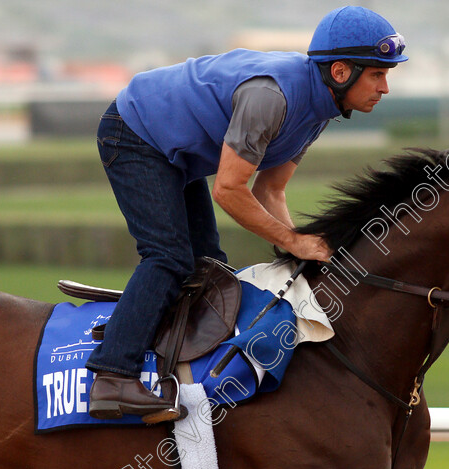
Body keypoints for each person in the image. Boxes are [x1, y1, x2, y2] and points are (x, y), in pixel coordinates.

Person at [86, 5, 408, 423]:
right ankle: (112, 377)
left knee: (209, 267)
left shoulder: (321, 109)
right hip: (133, 134)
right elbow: (229, 190)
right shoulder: (271, 98)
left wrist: (301, 254)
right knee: (168, 257)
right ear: (342, 72)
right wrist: (292, 241)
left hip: (176, 155)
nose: (385, 87)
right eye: (378, 73)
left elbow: (270, 190)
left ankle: (164, 352)